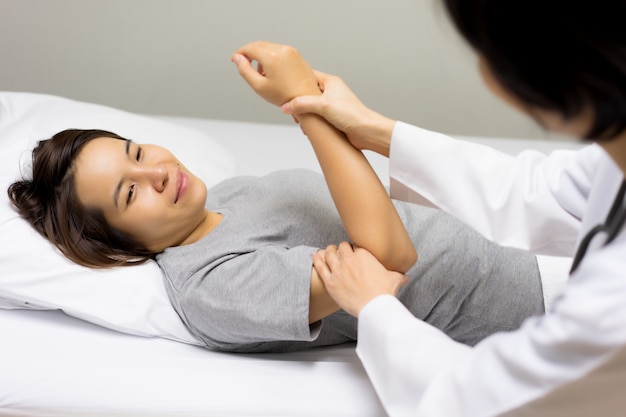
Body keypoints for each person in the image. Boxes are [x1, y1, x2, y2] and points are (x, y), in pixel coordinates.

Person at [8, 43, 551, 356]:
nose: (157, 170)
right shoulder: (211, 286)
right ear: (117, 243)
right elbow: (390, 259)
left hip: (525, 234)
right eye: (130, 192)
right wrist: (307, 108)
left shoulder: (224, 196)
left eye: (137, 150)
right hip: (531, 298)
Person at [263, 1, 626, 416]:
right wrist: (374, 128)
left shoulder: (610, 309)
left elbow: (471, 400)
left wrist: (375, 307)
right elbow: (537, 191)